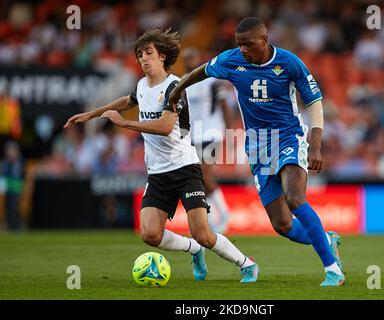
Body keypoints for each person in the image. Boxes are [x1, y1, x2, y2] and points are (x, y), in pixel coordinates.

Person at [64, 28, 258, 283]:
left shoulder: (174, 87)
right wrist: (91, 114)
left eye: (148, 53)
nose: (143, 58)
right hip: (157, 172)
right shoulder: (142, 85)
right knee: (150, 234)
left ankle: (247, 264)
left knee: (204, 234)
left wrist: (125, 124)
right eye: (139, 54)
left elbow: (166, 127)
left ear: (162, 56)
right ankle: (193, 250)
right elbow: (129, 100)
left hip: (185, 168)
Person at [169, 17, 345, 286]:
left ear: (264, 40)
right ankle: (327, 239)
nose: (243, 50)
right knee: (282, 225)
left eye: (248, 45)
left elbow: (314, 102)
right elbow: (202, 71)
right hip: (258, 146)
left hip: (288, 137)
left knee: (295, 198)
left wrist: (316, 144)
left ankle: (333, 270)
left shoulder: (288, 62)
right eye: (239, 45)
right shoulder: (231, 60)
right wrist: (177, 89)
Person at [181, 47, 233, 233]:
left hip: (211, 133)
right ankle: (212, 219)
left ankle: (224, 213)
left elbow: (225, 105)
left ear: (199, 58)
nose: (190, 60)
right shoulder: (182, 83)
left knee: (202, 174)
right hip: (192, 136)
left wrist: (230, 133)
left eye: (193, 56)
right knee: (199, 178)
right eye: (187, 57)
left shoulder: (212, 81)